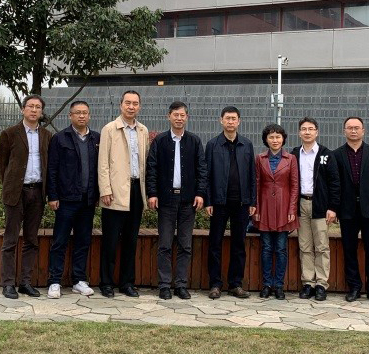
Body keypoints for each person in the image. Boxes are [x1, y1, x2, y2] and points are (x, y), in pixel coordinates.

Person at [146, 101, 207, 300]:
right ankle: (164, 285)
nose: (179, 118)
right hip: (166, 199)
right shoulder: (160, 141)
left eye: (182, 115)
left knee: (185, 245)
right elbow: (152, 168)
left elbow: (202, 170)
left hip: (188, 200)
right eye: (176, 115)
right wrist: (152, 193)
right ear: (169, 116)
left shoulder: (194, 141)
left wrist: (200, 193)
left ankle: (181, 285)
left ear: (187, 117)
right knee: (164, 244)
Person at [0, 94, 50, 300]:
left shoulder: (47, 135)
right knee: (10, 239)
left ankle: (26, 282)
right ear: (23, 109)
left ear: (41, 112)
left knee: (31, 239)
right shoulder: (9, 134)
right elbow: (2, 164)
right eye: (30, 106)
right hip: (16, 193)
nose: (34, 110)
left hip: (37, 192)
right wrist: (10, 185)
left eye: (38, 107)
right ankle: (8, 283)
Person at [45, 100, 100, 298]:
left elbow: (101, 169)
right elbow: (52, 169)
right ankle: (54, 281)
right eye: (77, 112)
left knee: (83, 241)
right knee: (60, 241)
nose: (82, 116)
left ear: (89, 115)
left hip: (87, 200)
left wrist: (97, 194)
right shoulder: (60, 138)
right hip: (66, 200)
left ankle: (79, 280)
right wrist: (53, 195)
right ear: (70, 116)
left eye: (85, 112)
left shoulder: (96, 139)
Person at [97, 90, 149, 298]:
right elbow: (103, 162)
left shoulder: (143, 130)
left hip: (136, 190)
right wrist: (105, 189)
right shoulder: (110, 129)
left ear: (139, 106)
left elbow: (145, 162)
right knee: (110, 241)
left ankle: (127, 283)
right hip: (115, 191)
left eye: (135, 103)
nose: (131, 106)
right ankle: (106, 283)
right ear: (121, 105)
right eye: (128, 102)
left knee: (131, 240)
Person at [333, 116, 369, 304]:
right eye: (350, 128)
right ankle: (354, 287)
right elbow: (335, 184)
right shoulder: (337, 154)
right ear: (344, 131)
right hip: (347, 210)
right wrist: (335, 208)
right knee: (349, 250)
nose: (353, 131)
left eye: (357, 127)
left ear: (363, 130)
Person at [205, 106, 256, 299]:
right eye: (227, 118)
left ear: (239, 121)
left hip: (241, 203)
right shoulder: (213, 144)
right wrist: (208, 200)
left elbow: (252, 175)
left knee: (239, 244)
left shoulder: (247, 145)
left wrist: (252, 201)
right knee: (215, 244)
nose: (230, 122)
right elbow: (207, 175)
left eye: (234, 118)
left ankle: (236, 284)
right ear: (221, 120)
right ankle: (215, 284)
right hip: (219, 202)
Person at [290, 117, 339, 301]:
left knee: (322, 246)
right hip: (301, 204)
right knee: (305, 246)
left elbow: (335, 183)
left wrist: (332, 207)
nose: (307, 132)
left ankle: (321, 284)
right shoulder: (294, 154)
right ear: (299, 133)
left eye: (311, 129)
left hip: (320, 205)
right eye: (304, 129)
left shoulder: (326, 154)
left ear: (317, 132)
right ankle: (308, 283)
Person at [253, 123, 298, 300]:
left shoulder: (291, 159)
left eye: (278, 137)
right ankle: (266, 284)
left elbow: (294, 185)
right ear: (266, 139)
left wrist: (292, 208)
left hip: (284, 206)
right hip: (264, 206)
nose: (275, 140)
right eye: (271, 137)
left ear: (283, 139)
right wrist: (256, 207)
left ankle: (278, 285)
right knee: (266, 248)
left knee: (280, 248)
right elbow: (256, 184)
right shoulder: (259, 158)